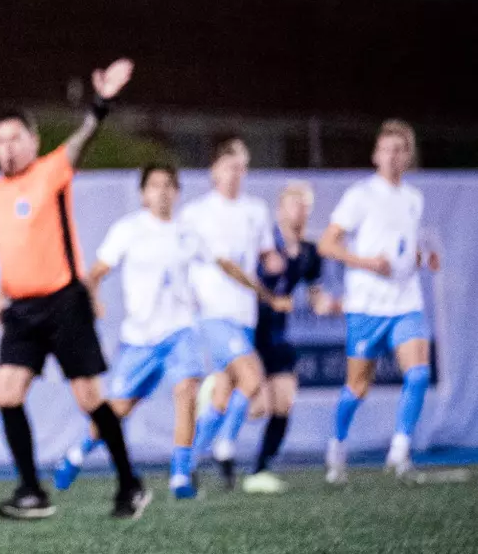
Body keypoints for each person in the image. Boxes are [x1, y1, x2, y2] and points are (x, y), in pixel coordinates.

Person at [0, 58, 147, 521]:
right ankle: (32, 491)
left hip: (63, 303)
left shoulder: (52, 171)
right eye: (0, 140)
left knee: (89, 400)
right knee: (7, 393)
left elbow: (83, 138)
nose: (7, 147)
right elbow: (13, 251)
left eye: (16, 138)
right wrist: (1, 295)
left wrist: (102, 103)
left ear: (33, 142)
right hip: (21, 308)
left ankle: (130, 483)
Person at [53, 164, 206, 500]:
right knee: (118, 409)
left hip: (180, 330)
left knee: (187, 391)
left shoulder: (189, 233)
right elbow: (95, 271)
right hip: (140, 338)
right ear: (143, 194)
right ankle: (76, 454)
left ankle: (180, 475)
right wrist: (93, 300)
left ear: (177, 192)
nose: (162, 191)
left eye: (169, 185)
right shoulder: (129, 229)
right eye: (154, 185)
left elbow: (214, 266)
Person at [317, 119, 440, 482]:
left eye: (399, 150)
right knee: (357, 386)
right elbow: (327, 244)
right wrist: (367, 262)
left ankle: (400, 451)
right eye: (386, 149)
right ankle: (337, 444)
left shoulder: (414, 199)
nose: (392, 156)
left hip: (406, 302)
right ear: (375, 155)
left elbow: (406, 248)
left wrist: (422, 258)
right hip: (367, 306)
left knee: (417, 374)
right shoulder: (360, 195)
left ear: (408, 157)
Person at [180, 137, 288, 490]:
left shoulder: (256, 210)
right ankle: (225, 445)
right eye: (229, 166)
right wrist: (267, 295)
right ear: (214, 170)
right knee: (253, 378)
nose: (235, 174)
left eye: (242, 167)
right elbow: (225, 264)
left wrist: (273, 261)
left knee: (224, 392)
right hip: (213, 313)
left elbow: (265, 254)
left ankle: (191, 460)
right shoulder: (198, 213)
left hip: (244, 317)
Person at [241, 181, 339, 493]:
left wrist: (332, 305)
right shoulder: (264, 246)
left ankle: (260, 470)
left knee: (284, 403)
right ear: (280, 209)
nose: (300, 210)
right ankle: (216, 392)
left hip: (278, 335)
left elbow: (315, 296)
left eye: (305, 205)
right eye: (293, 204)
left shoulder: (310, 253)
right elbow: (243, 282)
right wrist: (269, 299)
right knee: (258, 407)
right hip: (250, 332)